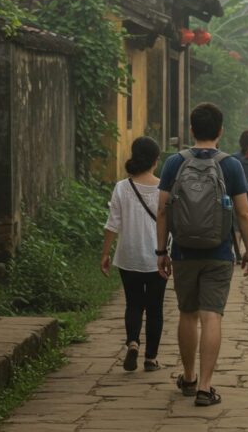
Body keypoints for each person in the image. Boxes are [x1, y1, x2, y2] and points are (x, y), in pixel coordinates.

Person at [157, 103, 248, 407]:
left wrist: (162, 250)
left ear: (190, 130)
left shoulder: (175, 163)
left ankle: (187, 378)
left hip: (184, 251)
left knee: (187, 314)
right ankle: (205, 386)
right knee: (211, 315)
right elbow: (243, 212)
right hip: (219, 252)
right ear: (220, 131)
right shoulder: (230, 165)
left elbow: (162, 211)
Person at [101, 136, 166, 373]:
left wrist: (106, 253)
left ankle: (133, 342)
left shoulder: (122, 187)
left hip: (128, 256)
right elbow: (171, 223)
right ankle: (151, 358)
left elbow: (112, 224)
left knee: (134, 304)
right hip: (157, 256)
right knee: (155, 308)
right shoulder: (163, 188)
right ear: (155, 160)